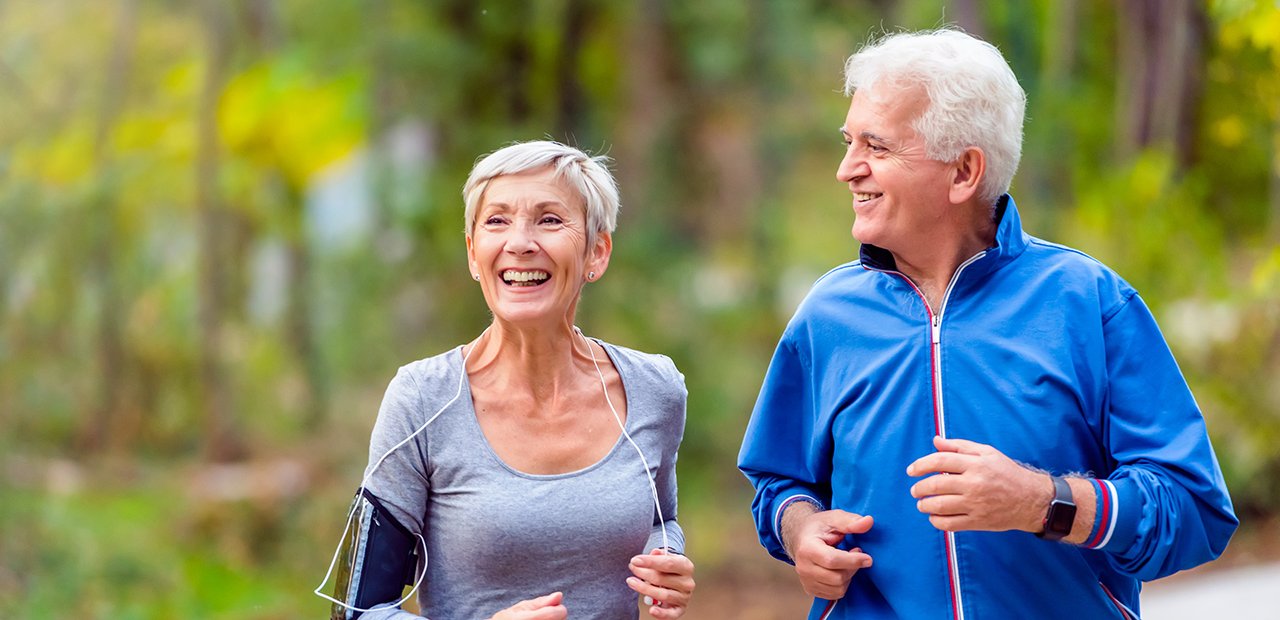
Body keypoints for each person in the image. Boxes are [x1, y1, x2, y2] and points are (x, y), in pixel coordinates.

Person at [737, 28, 1237, 619]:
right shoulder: (827, 316)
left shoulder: (1089, 302)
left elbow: (1194, 510)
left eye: (877, 146)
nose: (848, 169)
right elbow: (778, 483)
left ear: (964, 172)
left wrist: (1042, 502)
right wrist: (801, 531)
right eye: (849, 142)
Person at [320, 140, 696, 620]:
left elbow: (661, 519)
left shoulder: (654, 388)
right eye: (497, 220)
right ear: (475, 254)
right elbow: (353, 611)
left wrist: (668, 560)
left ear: (596, 253)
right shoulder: (422, 400)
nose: (520, 242)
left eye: (550, 219)